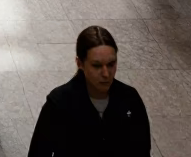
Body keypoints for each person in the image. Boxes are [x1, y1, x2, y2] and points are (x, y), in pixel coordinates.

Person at [27, 25, 151, 156]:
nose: (106, 73)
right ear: (80, 63)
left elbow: (143, 151)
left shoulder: (130, 99)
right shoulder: (59, 104)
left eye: (111, 64)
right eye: (97, 66)